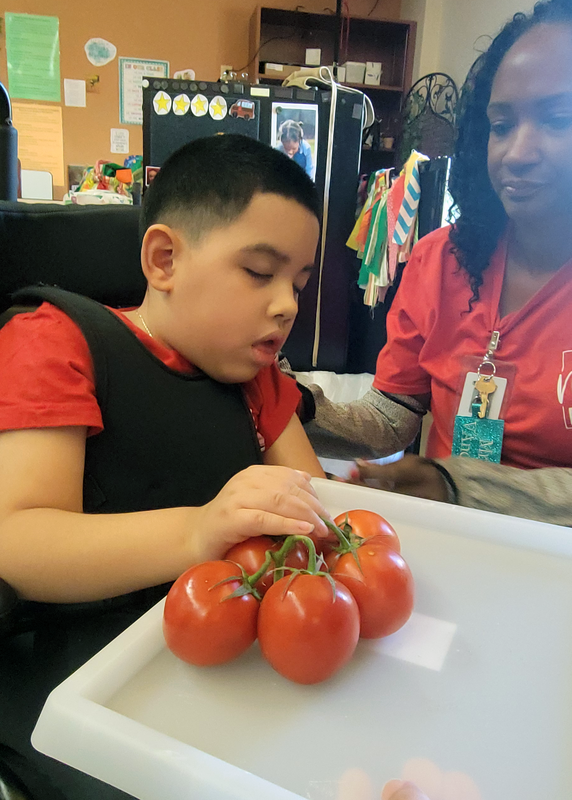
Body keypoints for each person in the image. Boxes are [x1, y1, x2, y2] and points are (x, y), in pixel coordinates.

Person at [0, 134, 330, 607]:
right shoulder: (56, 342)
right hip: (93, 660)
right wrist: (197, 532)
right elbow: (17, 541)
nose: (286, 306)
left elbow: (315, 516)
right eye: (260, 271)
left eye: (298, 285)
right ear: (165, 260)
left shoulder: (259, 380)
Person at [296, 0, 572, 527]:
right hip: (444, 539)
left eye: (558, 119)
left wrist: (455, 484)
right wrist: (302, 405)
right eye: (501, 123)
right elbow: (392, 418)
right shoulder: (442, 259)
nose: (517, 151)